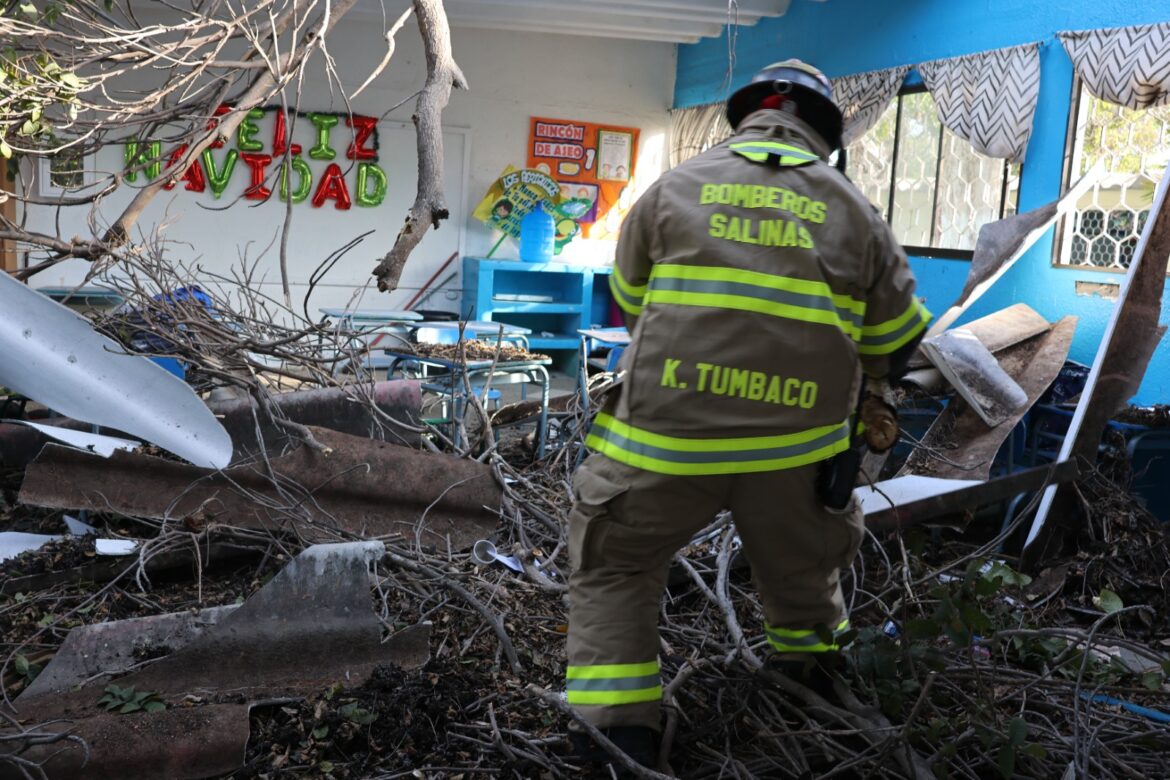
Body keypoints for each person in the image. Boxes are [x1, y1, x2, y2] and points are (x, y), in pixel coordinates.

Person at [564, 59, 931, 769]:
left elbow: (632, 300)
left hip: (661, 448)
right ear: (826, 134)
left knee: (617, 570)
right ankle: (812, 700)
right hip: (793, 457)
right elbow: (895, 340)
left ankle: (619, 739)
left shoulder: (673, 186)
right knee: (802, 578)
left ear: (745, 118)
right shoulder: (855, 212)